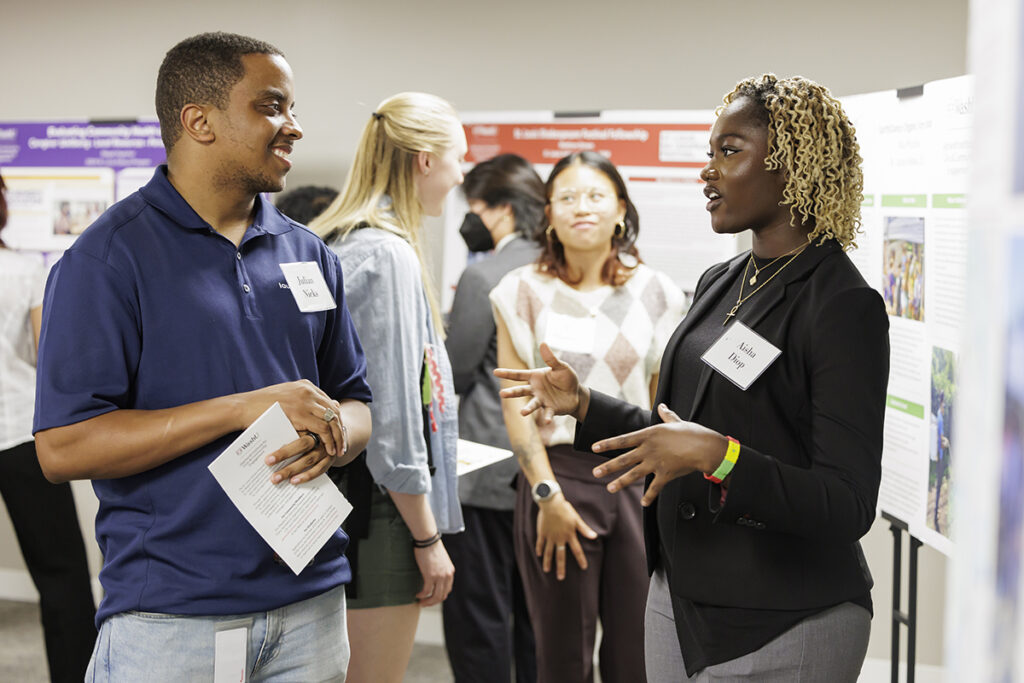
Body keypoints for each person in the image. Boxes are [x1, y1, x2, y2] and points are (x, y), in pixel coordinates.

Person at [497, 74, 889, 682]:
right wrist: (584, 404)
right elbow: (675, 432)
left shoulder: (839, 304)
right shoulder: (720, 283)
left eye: (729, 152)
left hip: (784, 617)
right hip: (680, 596)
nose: (707, 171)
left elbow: (846, 502)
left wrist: (720, 456)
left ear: (792, 165)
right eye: (709, 152)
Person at [32, 32, 373, 682]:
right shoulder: (107, 261)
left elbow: (358, 404)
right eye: (272, 107)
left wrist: (332, 435)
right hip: (173, 616)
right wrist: (245, 408)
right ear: (199, 121)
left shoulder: (309, 253)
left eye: (292, 108)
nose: (294, 128)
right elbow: (63, 447)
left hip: (314, 599)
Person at [490, 151, 685, 683]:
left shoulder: (658, 293)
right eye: (567, 198)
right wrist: (545, 494)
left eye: (596, 196)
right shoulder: (520, 292)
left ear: (620, 208)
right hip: (558, 483)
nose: (583, 208)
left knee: (635, 657)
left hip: (635, 482)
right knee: (560, 660)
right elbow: (518, 407)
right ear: (548, 212)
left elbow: (658, 405)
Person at [309, 92, 465, 683]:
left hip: (334, 498)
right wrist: (427, 539)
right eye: (458, 157)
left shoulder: (333, 238)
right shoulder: (387, 253)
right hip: (378, 509)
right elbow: (392, 416)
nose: (460, 174)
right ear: (425, 160)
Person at [442, 153, 544, 683]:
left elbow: (456, 372)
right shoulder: (562, 264)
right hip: (546, 473)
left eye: (476, 207)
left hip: (485, 468)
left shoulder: (484, 276)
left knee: (479, 615)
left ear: (502, 210)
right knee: (538, 620)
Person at [0, 172, 97, 683]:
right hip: (17, 431)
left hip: (16, 430)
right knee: (61, 573)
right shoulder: (23, 271)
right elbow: (46, 356)